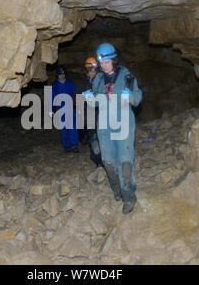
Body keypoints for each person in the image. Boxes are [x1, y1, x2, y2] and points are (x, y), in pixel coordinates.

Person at [82, 43, 142, 214]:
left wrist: (129, 96)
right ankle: (117, 190)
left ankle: (129, 197)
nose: (103, 66)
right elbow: (96, 102)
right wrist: (90, 99)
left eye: (106, 62)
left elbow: (137, 98)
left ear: (114, 60)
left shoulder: (126, 77)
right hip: (104, 128)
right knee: (108, 163)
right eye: (101, 63)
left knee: (125, 163)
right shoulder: (99, 79)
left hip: (123, 125)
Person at [49, 65, 79, 153]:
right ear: (57, 75)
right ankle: (67, 146)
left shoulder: (70, 84)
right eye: (60, 74)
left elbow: (75, 95)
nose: (62, 76)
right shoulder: (54, 86)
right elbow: (50, 98)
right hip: (59, 109)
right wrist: (50, 110)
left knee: (72, 127)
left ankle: (74, 145)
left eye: (63, 74)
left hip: (70, 108)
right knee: (63, 129)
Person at [80, 57, 102, 167]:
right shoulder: (85, 84)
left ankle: (102, 161)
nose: (93, 73)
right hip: (90, 118)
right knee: (93, 141)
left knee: (102, 140)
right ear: (87, 72)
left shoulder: (101, 82)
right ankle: (98, 162)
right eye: (90, 71)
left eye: (94, 70)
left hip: (101, 117)